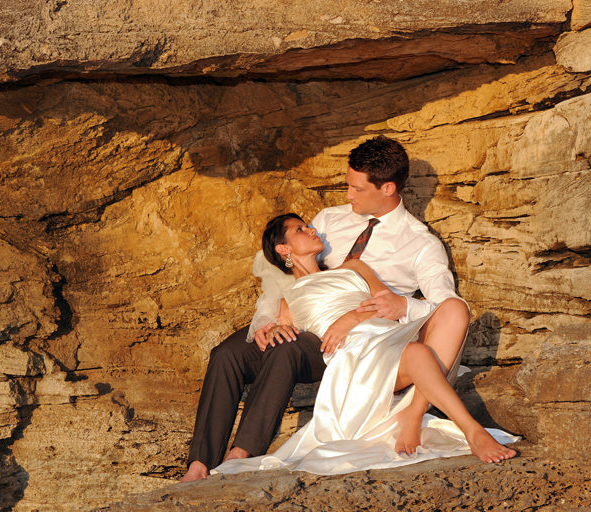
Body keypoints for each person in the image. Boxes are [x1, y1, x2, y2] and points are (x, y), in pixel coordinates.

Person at [181, 136, 470, 482]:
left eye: (356, 189)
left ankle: (242, 456)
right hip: (302, 315)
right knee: (227, 354)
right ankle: (199, 463)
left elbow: (444, 305)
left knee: (285, 351)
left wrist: (403, 304)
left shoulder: (420, 243)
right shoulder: (331, 220)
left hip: (351, 337)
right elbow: (280, 264)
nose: (348, 196)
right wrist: (268, 319)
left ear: (389, 188)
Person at [211, 214, 516, 475]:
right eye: (301, 230)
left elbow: (386, 302)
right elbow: (273, 335)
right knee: (417, 353)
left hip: (387, 333)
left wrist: (350, 318)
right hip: (355, 358)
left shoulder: (355, 268)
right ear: (284, 249)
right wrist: (269, 328)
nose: (313, 230)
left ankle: (413, 413)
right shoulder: (286, 302)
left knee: (454, 308)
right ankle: (472, 431)